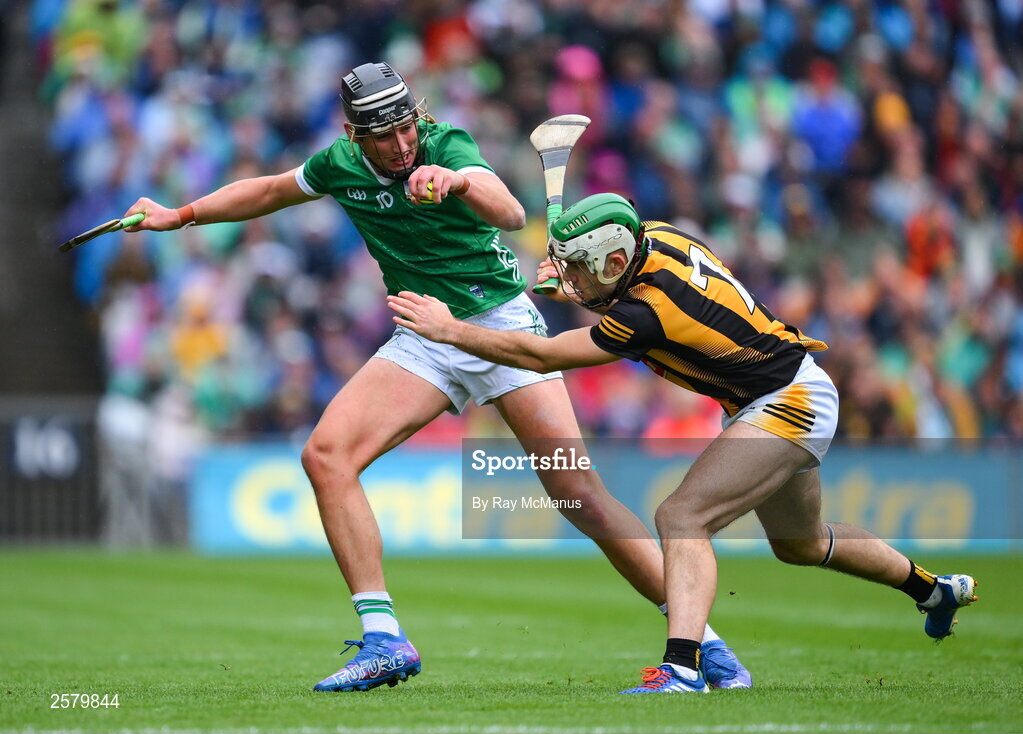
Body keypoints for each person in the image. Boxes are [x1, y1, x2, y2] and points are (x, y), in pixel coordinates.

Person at [122, 63, 750, 692]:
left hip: (500, 326)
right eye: (383, 137)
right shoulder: (339, 163)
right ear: (352, 134)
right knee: (326, 456)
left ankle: (706, 645)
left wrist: (454, 182)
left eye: (405, 129)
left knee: (578, 493)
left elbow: (505, 210)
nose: (400, 147)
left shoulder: (447, 145)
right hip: (424, 334)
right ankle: (384, 639)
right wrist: (179, 216)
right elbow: (266, 192)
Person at [386, 192, 979, 694]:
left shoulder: (644, 315)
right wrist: (579, 287)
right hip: (790, 390)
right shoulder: (659, 236)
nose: (570, 279)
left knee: (682, 515)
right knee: (800, 543)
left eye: (580, 268)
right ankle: (932, 590)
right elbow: (625, 289)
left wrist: (450, 330)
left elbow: (537, 353)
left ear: (615, 259)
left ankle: (683, 666)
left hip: (786, 403)